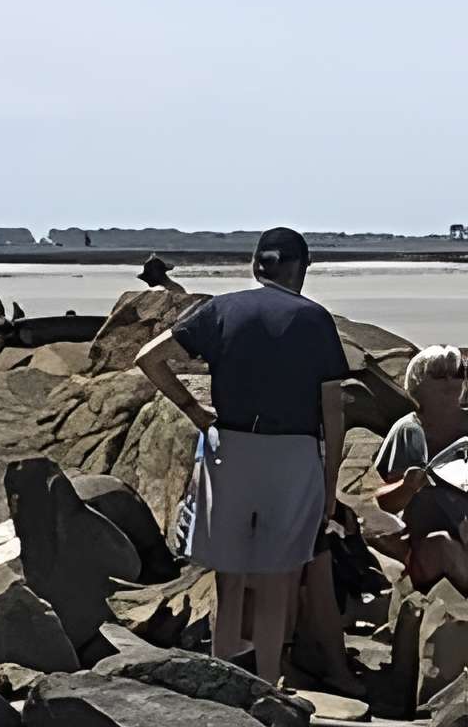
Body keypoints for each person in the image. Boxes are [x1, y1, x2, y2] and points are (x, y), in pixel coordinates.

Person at [133, 227, 351, 684]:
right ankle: (270, 679)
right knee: (277, 578)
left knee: (229, 577)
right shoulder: (315, 319)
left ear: (256, 266)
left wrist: (196, 412)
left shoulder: (221, 309)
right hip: (293, 453)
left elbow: (150, 358)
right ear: (301, 268)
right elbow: (333, 408)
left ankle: (226, 679)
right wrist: (329, 482)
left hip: (228, 446)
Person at [377, 345, 468, 596]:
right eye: (439, 374)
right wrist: (408, 487)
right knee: (442, 544)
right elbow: (385, 503)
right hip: (430, 545)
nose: (451, 381)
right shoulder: (408, 431)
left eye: (457, 373)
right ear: (419, 383)